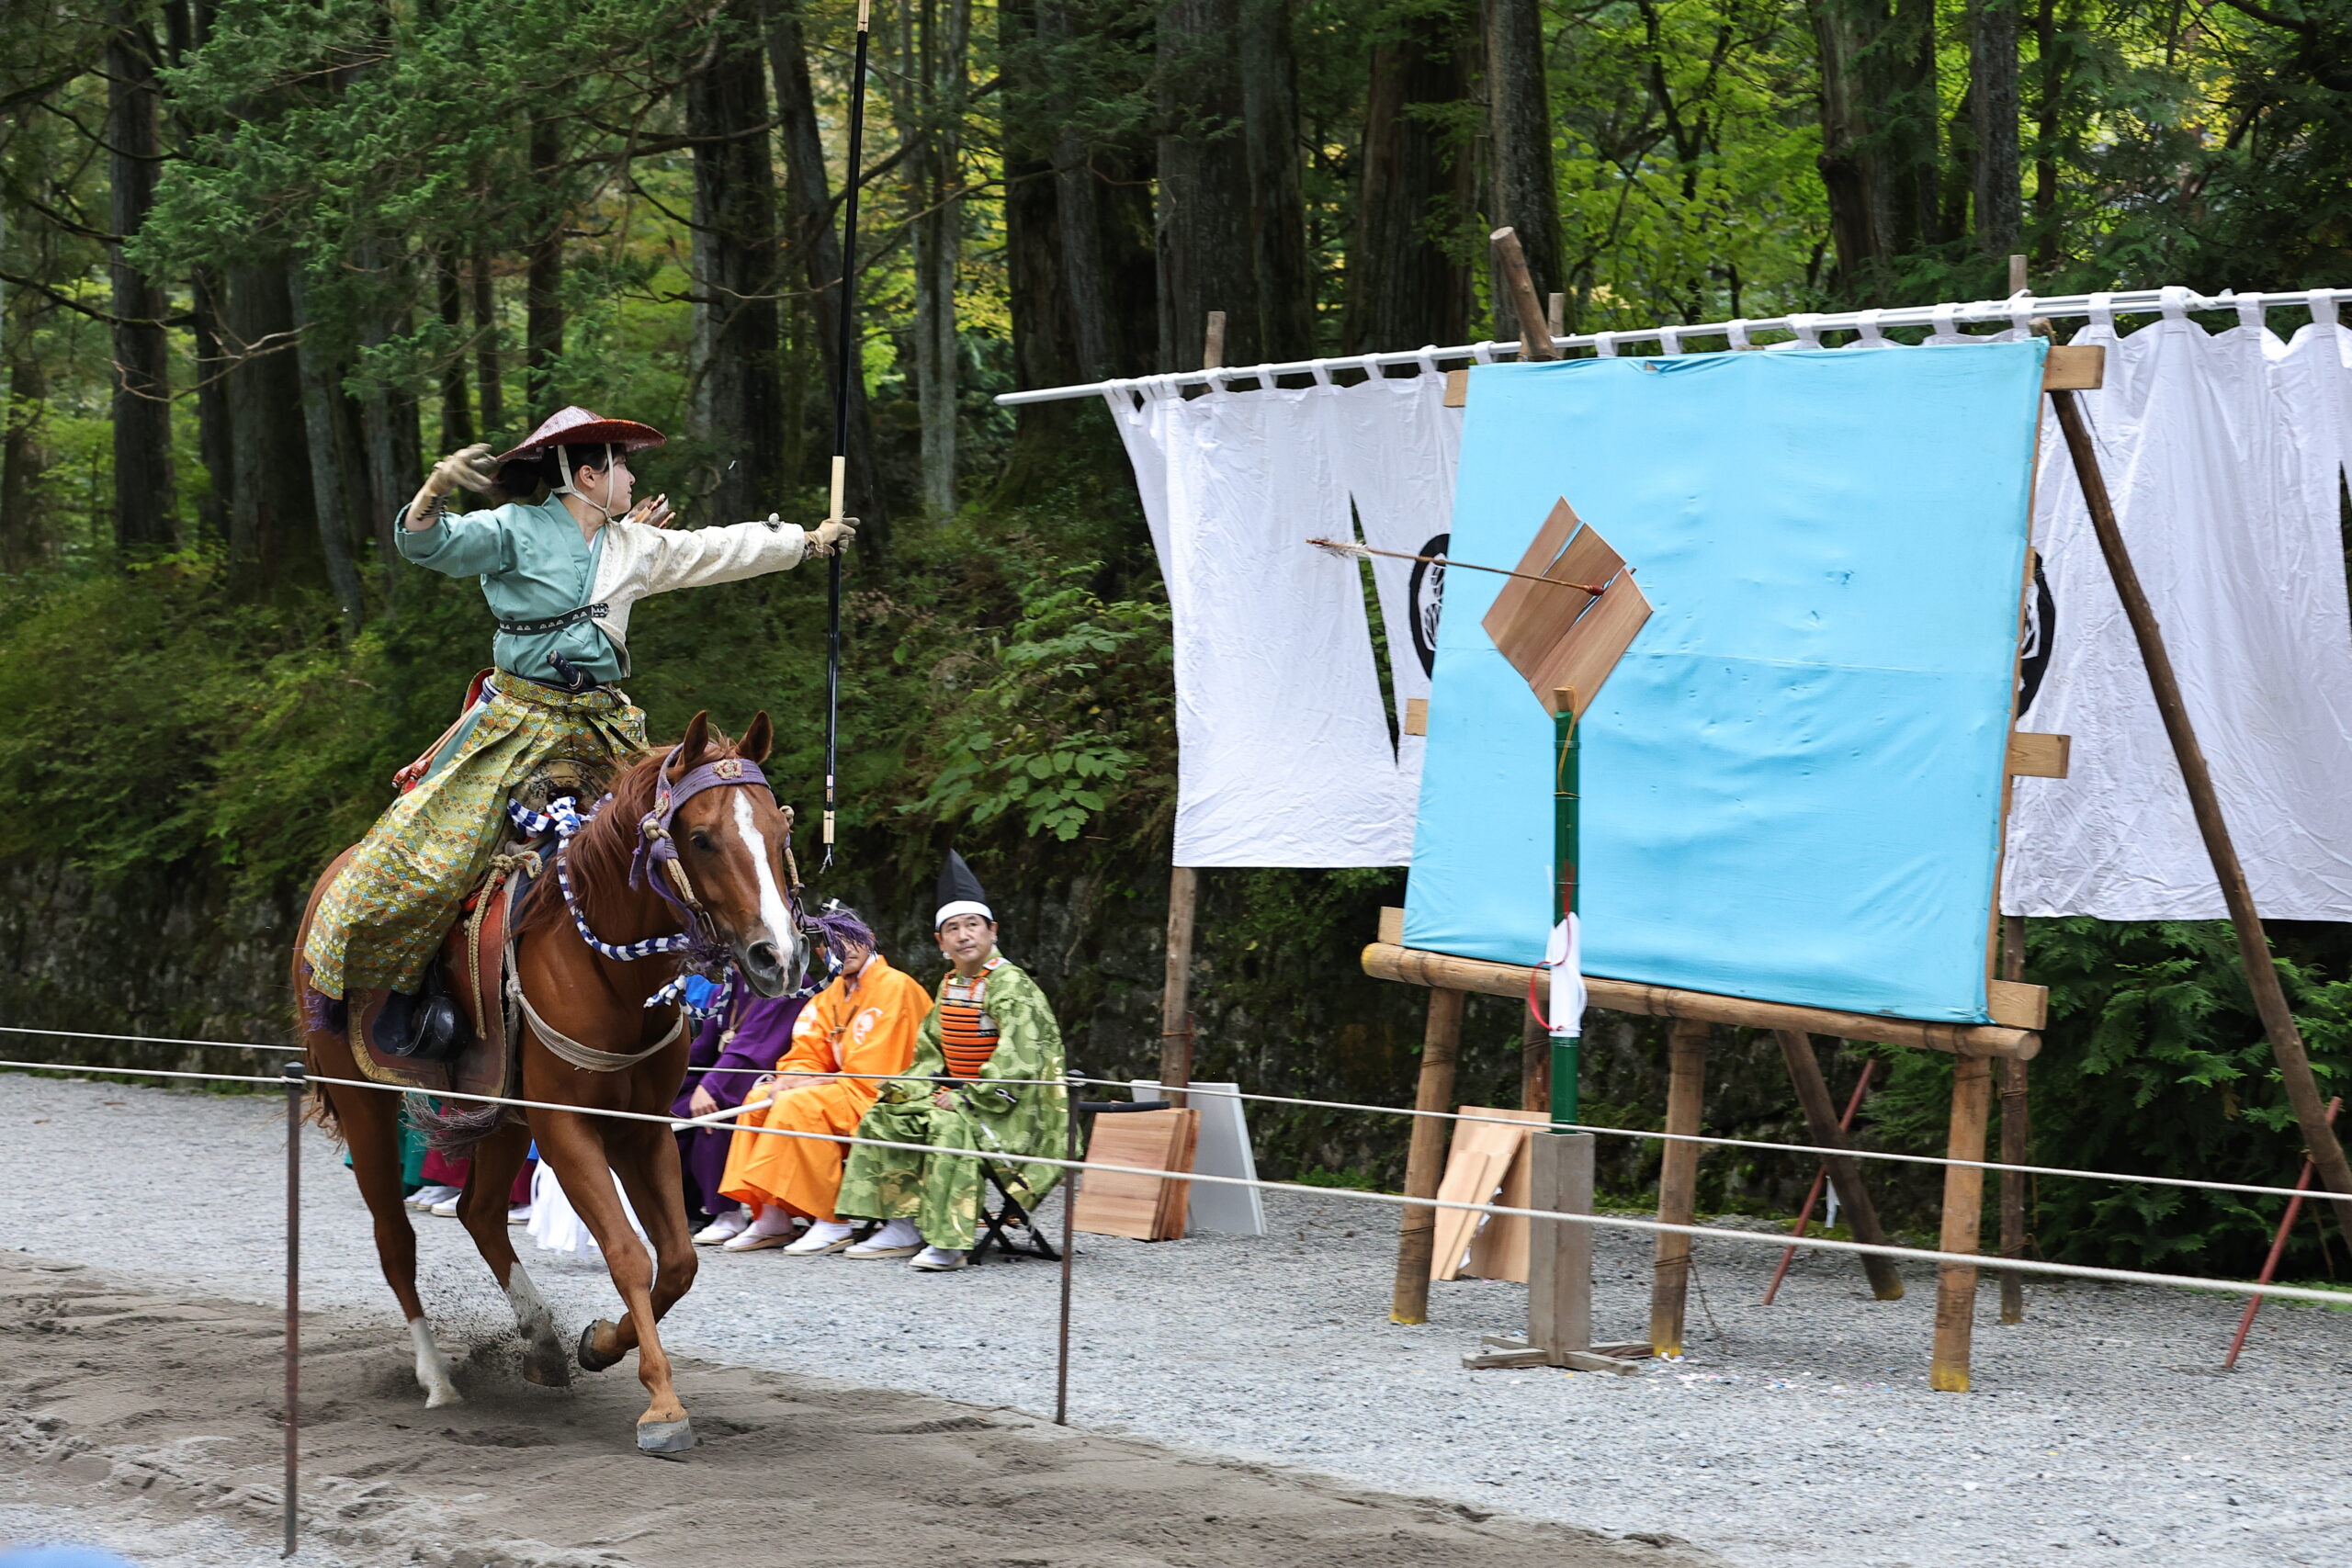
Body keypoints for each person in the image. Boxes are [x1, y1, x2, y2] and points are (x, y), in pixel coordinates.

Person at [299, 406, 855, 1041]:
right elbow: (429, 544)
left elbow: (715, 548)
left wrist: (807, 541)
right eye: (621, 467)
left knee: (676, 843)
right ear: (588, 477)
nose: (632, 481)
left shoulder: (633, 544)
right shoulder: (513, 528)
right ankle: (404, 993)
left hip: (604, 724)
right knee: (436, 853)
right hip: (519, 721)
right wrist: (435, 488)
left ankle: (680, 994)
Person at [835, 853, 1069, 1271]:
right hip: (962, 1096)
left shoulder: (1011, 985)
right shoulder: (951, 984)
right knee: (887, 1114)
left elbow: (1020, 1061)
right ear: (940, 942)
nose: (963, 936)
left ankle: (950, 1241)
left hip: (1014, 1110)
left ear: (992, 931)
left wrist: (967, 1098)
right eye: (952, 929)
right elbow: (929, 1053)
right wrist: (907, 1089)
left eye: (972, 925)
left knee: (948, 1124)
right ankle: (903, 1224)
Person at [708, 906, 931, 1253]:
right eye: (831, 945)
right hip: (841, 1089)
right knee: (758, 1100)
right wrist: (795, 1077)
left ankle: (830, 1219)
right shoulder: (830, 995)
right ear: (821, 953)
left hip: (882, 1093)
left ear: (869, 940)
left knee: (800, 1105)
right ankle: (772, 1214)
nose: (842, 950)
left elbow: (878, 1069)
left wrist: (810, 1084)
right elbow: (805, 1052)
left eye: (850, 939)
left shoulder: (896, 987)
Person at [671, 980, 808, 1235]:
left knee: (714, 1114)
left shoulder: (788, 984)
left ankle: (727, 1213)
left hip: (765, 1073)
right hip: (725, 1075)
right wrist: (673, 1084)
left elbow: (755, 1046)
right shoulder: (727, 987)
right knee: (670, 1113)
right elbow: (703, 1047)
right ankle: (681, 1210)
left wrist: (710, 1088)